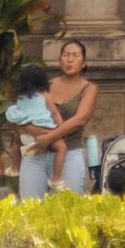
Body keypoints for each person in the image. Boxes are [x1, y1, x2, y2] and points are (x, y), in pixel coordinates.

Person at [45, 32, 99, 191]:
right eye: (66, 55)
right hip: (40, 153)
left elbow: (80, 120)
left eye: (75, 55)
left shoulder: (89, 88)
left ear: (83, 63)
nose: (69, 60)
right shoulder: (47, 85)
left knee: (70, 206)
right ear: (60, 60)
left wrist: (48, 137)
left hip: (70, 153)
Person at [5, 60, 59, 198]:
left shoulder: (22, 98)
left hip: (26, 138)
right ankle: (57, 178)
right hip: (45, 133)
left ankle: (15, 167)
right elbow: (54, 113)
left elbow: (18, 116)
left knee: (16, 142)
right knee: (62, 148)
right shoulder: (46, 96)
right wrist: (60, 127)